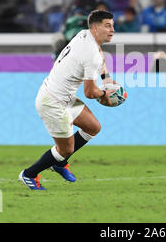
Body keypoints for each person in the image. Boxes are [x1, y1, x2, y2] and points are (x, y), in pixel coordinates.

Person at [19, 10, 118, 190]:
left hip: (63, 95)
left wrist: (107, 80)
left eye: (112, 25)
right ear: (95, 28)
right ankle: (29, 174)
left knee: (93, 127)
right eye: (107, 25)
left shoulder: (84, 34)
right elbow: (89, 92)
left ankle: (59, 163)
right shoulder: (91, 56)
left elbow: (99, 53)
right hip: (53, 101)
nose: (112, 30)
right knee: (65, 149)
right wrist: (105, 95)